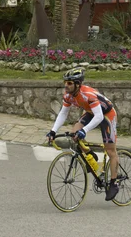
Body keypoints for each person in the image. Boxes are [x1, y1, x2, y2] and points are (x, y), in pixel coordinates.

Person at [46, 68, 120, 201]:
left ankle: (114, 183)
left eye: (69, 83)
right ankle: (89, 155)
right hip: (92, 113)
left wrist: (84, 130)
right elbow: (63, 113)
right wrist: (53, 131)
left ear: (78, 84)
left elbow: (99, 117)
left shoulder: (88, 94)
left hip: (107, 115)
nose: (66, 85)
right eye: (65, 82)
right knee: (74, 133)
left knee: (110, 150)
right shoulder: (68, 95)